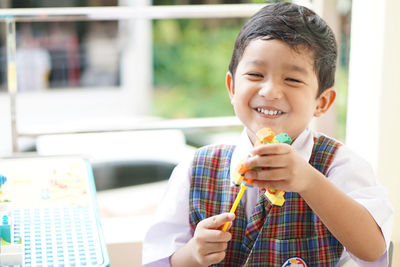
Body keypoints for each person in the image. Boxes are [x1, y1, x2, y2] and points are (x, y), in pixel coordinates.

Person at [142, 2, 393, 266]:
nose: (270, 91)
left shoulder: (341, 166)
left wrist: (309, 180)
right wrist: (193, 254)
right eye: (255, 74)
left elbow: (373, 249)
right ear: (231, 86)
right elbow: (159, 260)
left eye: (293, 80)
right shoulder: (194, 170)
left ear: (322, 102)